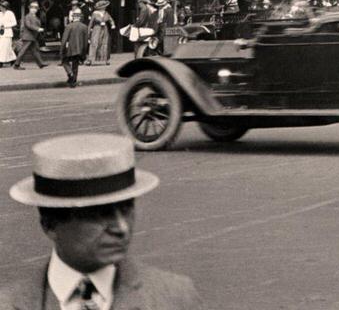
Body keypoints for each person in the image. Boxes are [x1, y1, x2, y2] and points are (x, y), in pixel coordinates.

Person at [3, 133, 201, 310]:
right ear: (50, 224)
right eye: (100, 214)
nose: (121, 228)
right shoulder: (10, 303)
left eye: (126, 208)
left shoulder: (176, 298)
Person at [60, 8, 89, 88]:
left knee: (64, 61)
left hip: (70, 49)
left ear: (73, 17)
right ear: (80, 17)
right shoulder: (84, 27)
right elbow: (86, 41)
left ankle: (70, 73)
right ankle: (73, 81)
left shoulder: (69, 26)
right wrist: (84, 52)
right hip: (80, 49)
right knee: (75, 65)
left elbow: (64, 40)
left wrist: (62, 50)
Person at [14, 1, 45, 69]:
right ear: (29, 8)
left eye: (36, 8)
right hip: (28, 36)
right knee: (23, 51)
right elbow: (28, 25)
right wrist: (37, 29)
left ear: (37, 9)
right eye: (32, 7)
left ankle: (41, 64)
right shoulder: (27, 16)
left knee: (35, 51)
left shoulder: (35, 17)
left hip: (32, 37)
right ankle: (16, 65)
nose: (34, 9)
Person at [0, 0, 16, 67]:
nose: (0, 7)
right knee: (7, 48)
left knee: (3, 47)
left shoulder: (10, 13)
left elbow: (14, 23)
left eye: (1, 6)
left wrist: (5, 26)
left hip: (7, 33)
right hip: (1, 33)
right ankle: (13, 60)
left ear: (5, 7)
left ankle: (1, 62)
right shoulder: (0, 14)